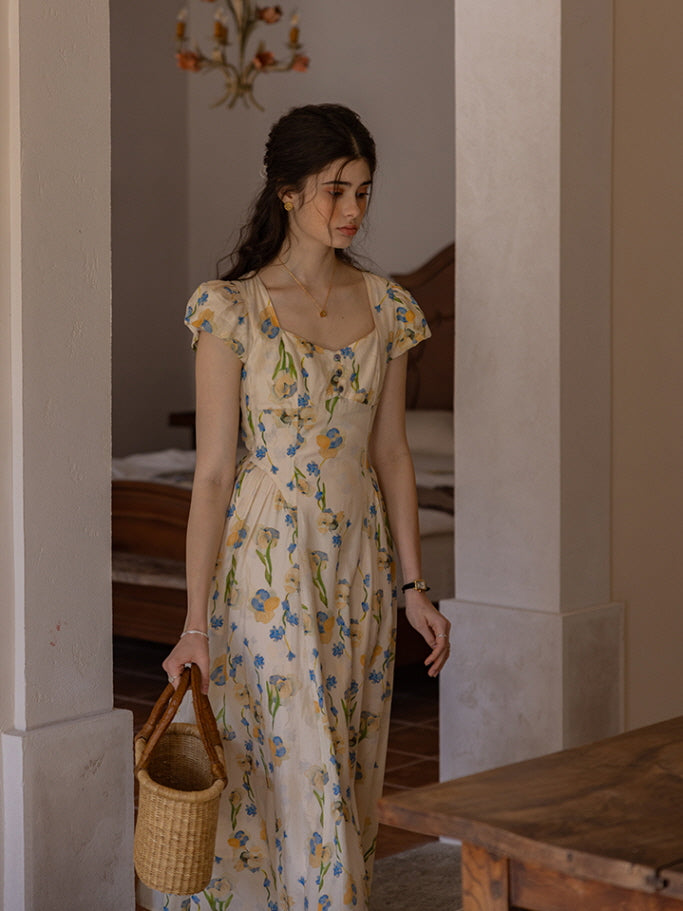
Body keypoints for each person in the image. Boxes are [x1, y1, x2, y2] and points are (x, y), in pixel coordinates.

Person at [140, 103, 450, 911]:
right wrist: (194, 623)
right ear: (285, 193)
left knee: (340, 765)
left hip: (358, 566)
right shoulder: (231, 307)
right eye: (334, 190)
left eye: (363, 191)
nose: (351, 209)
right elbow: (212, 474)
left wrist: (415, 587)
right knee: (284, 762)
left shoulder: (386, 307)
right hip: (263, 568)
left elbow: (390, 454)